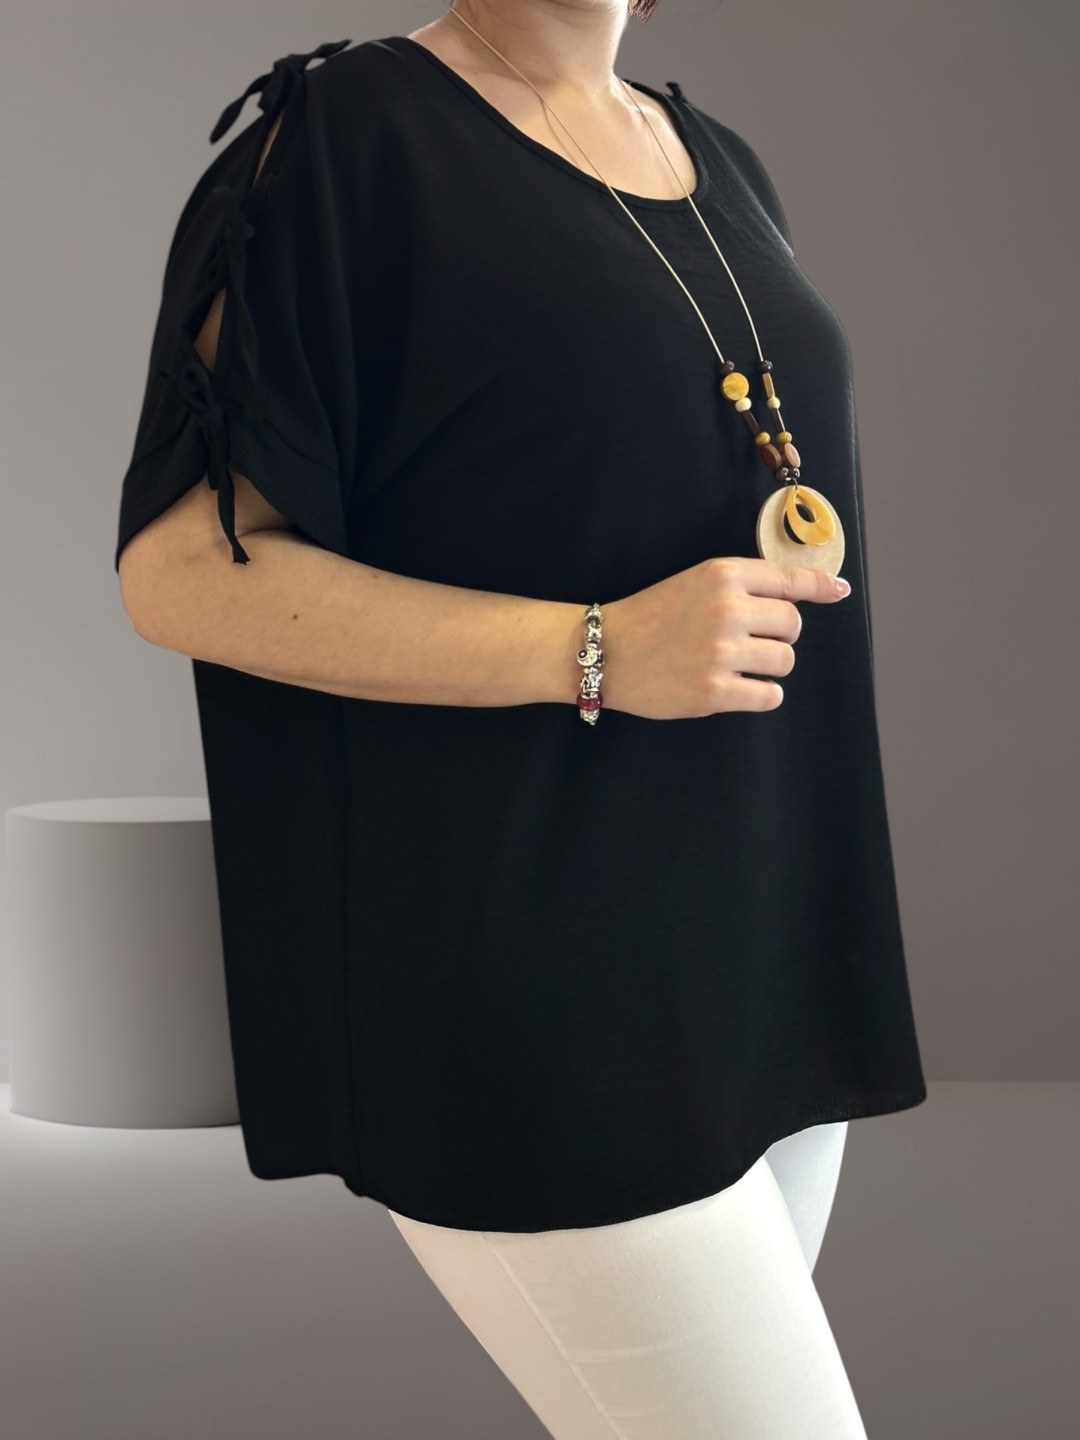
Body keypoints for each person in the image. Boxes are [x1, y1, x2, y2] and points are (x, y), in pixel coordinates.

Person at [115, 2, 927, 1435]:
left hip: (756, 959)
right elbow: (183, 569)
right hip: (537, 994)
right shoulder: (344, 141)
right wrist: (593, 648)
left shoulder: (715, 155)